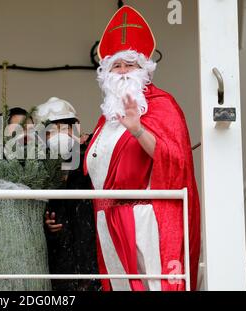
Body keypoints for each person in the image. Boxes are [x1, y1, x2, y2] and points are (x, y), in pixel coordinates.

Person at [83, 5, 200, 291]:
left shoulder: (162, 105)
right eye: (116, 65)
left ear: (144, 69)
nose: (122, 72)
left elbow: (176, 163)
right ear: (105, 73)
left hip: (148, 221)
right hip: (109, 221)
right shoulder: (105, 118)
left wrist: (137, 129)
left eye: (129, 64)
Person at [34, 97, 100, 291]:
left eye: (65, 128)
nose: (59, 135)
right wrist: (45, 225)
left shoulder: (92, 158)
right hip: (57, 267)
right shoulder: (35, 170)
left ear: (76, 129)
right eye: (51, 131)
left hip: (93, 260)